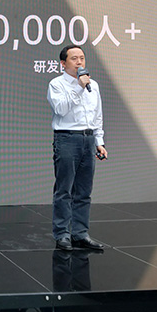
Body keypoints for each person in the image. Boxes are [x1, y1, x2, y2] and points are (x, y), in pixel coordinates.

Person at [47, 45, 107, 251]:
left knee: (84, 191)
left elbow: (97, 115)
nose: (79, 62)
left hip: (88, 139)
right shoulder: (56, 84)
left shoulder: (93, 85)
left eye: (82, 57)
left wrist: (99, 141)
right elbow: (61, 109)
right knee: (64, 190)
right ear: (63, 64)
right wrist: (79, 87)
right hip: (67, 139)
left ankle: (80, 234)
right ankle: (62, 234)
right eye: (74, 58)